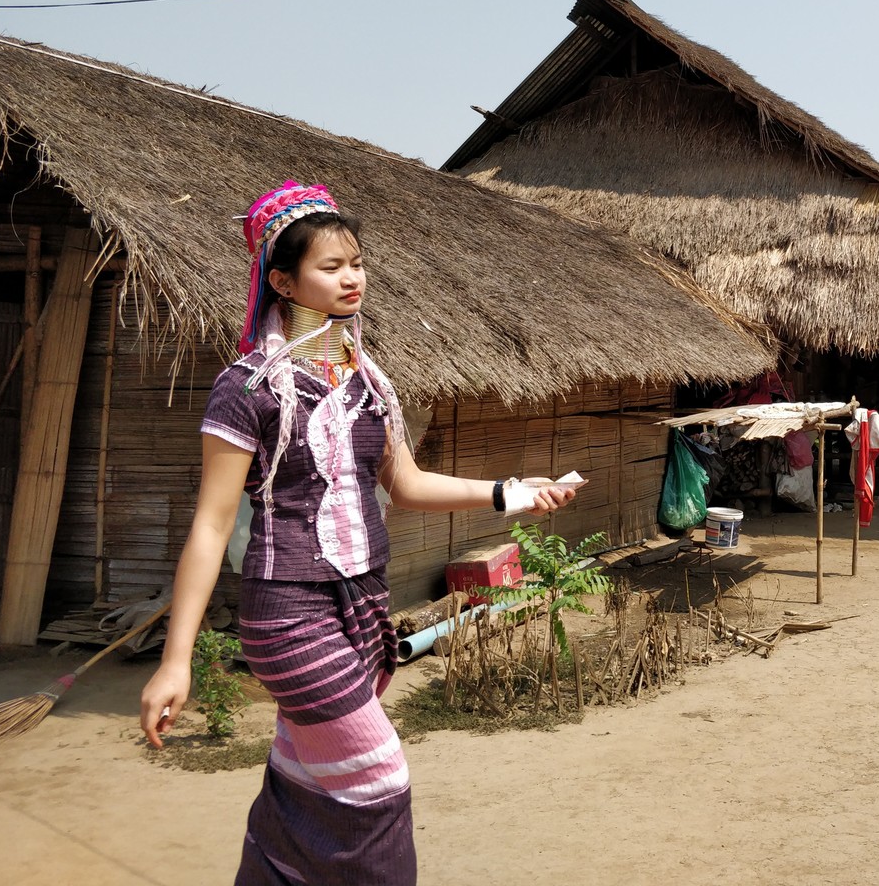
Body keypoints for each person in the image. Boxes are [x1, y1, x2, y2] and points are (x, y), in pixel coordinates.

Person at [139, 182, 577, 885]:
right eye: (330, 266)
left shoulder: (368, 383)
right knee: (376, 778)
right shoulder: (249, 389)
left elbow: (405, 484)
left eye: (357, 263)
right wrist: (177, 658)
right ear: (281, 281)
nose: (352, 279)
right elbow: (212, 524)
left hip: (363, 606)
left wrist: (510, 492)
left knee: (307, 771)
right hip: (289, 610)